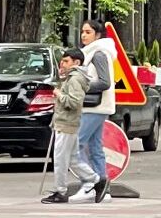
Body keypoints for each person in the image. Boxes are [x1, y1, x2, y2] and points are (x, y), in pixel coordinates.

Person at [41, 48, 100, 205]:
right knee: (73, 159)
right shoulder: (74, 78)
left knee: (60, 160)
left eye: (66, 61)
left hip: (66, 124)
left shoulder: (74, 79)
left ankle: (61, 192)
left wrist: (59, 94)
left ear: (76, 63)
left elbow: (74, 103)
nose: (62, 64)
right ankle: (94, 179)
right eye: (62, 61)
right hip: (68, 123)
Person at [77, 20, 116, 203]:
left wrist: (80, 86)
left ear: (98, 35)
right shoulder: (93, 52)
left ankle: (89, 184)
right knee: (95, 148)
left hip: (95, 106)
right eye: (82, 32)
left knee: (75, 144)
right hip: (98, 106)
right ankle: (103, 189)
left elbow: (104, 82)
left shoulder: (98, 54)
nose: (84, 35)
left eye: (88, 32)